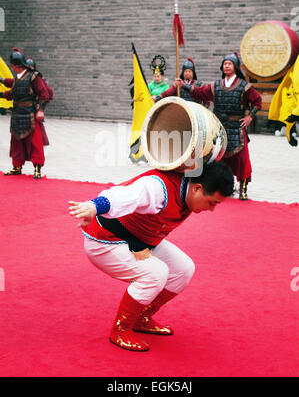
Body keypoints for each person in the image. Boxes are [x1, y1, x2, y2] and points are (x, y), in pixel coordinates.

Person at [68, 161, 234, 352]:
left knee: (184, 269)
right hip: (106, 240)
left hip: (142, 240)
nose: (211, 209)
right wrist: (93, 206)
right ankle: (120, 330)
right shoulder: (158, 187)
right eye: (212, 202)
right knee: (156, 273)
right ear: (197, 188)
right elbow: (121, 195)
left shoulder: (189, 187)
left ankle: (141, 318)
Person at [173, 52, 262, 200]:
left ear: (235, 67)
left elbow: (257, 101)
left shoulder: (245, 86)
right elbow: (201, 93)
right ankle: (220, 187)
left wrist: (250, 117)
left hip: (236, 127)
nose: (227, 66)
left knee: (242, 160)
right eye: (225, 64)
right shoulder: (216, 86)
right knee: (217, 158)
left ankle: (243, 188)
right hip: (219, 126)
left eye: (230, 64)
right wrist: (185, 86)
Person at [0, 47, 52, 179]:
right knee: (16, 142)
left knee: (35, 142)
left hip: (30, 114)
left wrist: (41, 110)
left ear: (14, 65)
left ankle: (37, 169)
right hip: (17, 114)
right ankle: (17, 167)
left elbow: (44, 94)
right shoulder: (17, 78)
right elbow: (11, 94)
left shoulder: (34, 76)